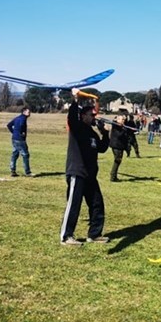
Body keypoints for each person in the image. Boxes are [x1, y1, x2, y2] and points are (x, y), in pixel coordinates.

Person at [60, 88, 111, 246]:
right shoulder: (77, 128)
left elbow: (102, 148)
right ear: (83, 116)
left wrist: (104, 132)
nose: (94, 117)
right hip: (77, 172)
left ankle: (94, 234)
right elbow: (71, 116)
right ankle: (66, 236)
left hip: (90, 175)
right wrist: (75, 99)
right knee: (74, 205)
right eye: (91, 115)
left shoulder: (92, 133)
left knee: (97, 204)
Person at [6, 107, 32, 176]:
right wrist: (22, 132)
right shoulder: (23, 119)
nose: (30, 114)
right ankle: (28, 172)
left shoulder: (17, 118)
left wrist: (14, 132)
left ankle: (12, 170)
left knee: (15, 154)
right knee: (25, 155)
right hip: (20, 140)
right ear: (24, 112)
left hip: (14, 138)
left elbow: (9, 125)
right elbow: (21, 125)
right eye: (28, 112)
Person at [109, 114, 129, 182]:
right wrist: (123, 130)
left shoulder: (122, 127)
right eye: (122, 119)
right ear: (118, 120)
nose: (123, 121)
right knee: (117, 161)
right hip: (116, 146)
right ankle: (113, 176)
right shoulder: (116, 126)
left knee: (118, 161)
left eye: (124, 119)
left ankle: (114, 175)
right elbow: (119, 135)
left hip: (120, 146)